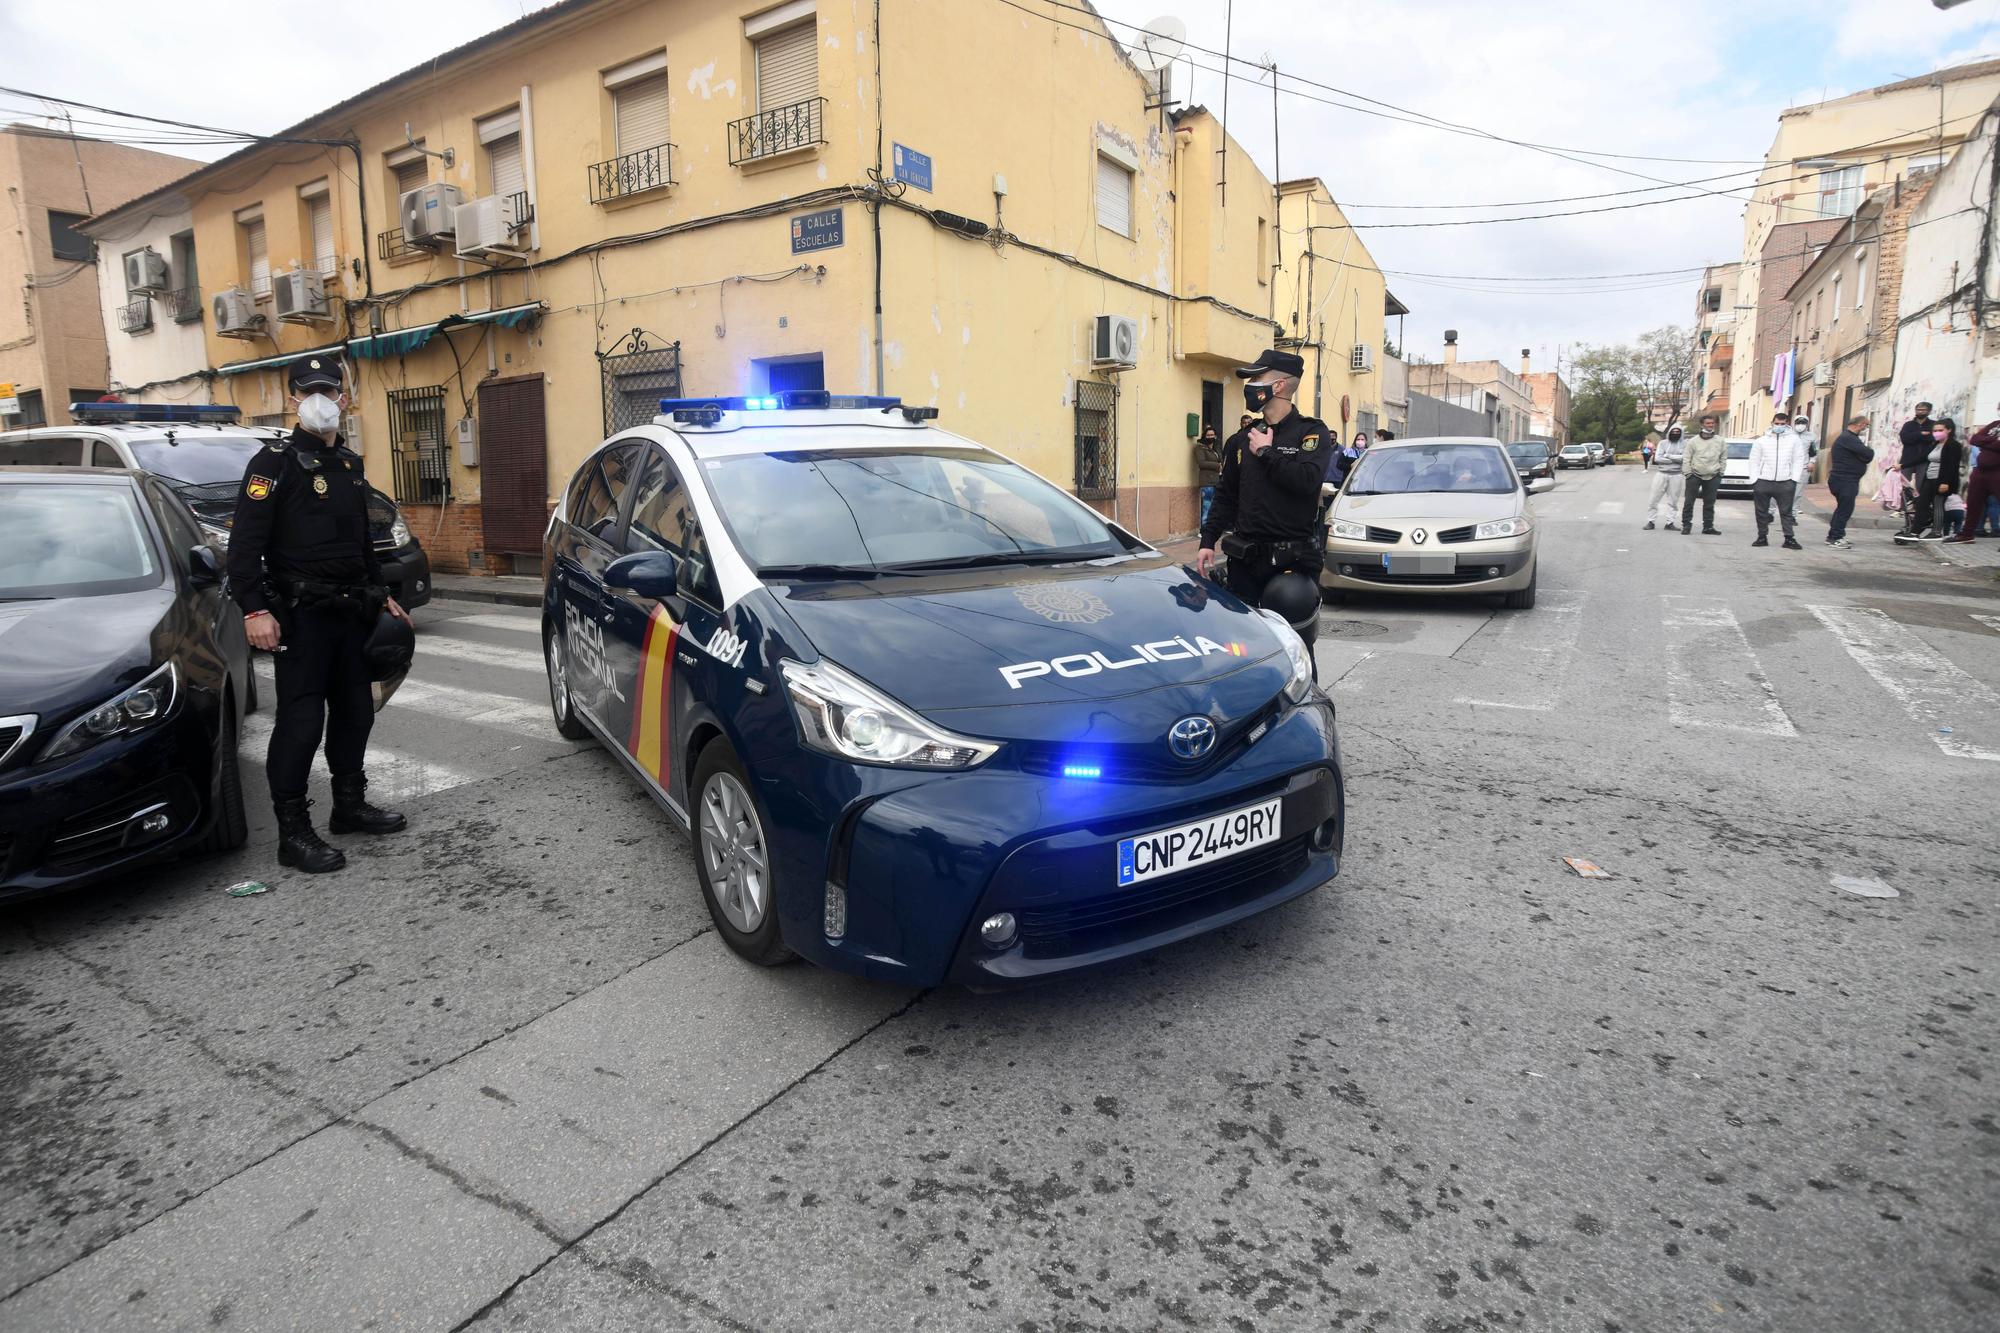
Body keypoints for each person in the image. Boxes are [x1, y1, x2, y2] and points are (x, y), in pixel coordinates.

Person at [229, 357, 413, 874]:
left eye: (328, 390)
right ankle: (293, 833)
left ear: (343, 398)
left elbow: (361, 542)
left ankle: (349, 807)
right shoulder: (273, 463)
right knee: (302, 722)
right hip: (302, 617)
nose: (319, 399)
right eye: (308, 391)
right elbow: (244, 546)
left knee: (355, 714)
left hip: (352, 613)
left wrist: (381, 594)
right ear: (292, 401)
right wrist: (254, 609)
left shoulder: (350, 464)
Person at [1197, 348, 1335, 607]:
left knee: (1294, 642)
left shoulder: (1312, 433)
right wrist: (1208, 540)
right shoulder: (1241, 438)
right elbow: (1226, 494)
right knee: (1241, 644)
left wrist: (1266, 452)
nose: (1249, 386)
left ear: (1279, 385)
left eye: (1256, 379)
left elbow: (1306, 481)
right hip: (1245, 562)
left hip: (1291, 565)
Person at [1748, 410, 1806, 550]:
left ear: (1787, 424)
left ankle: (1789, 538)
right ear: (1772, 423)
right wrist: (1755, 480)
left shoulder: (1794, 440)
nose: (1779, 426)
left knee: (1786, 512)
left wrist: (1794, 479)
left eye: (1782, 424)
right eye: (1777, 423)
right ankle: (1762, 537)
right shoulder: (1761, 441)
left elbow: (1798, 459)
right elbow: (1754, 460)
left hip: (1785, 481)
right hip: (1763, 481)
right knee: (1761, 511)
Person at [1904, 416, 1964, 540]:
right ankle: (1915, 531)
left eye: (1940, 430)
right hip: (1930, 478)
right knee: (1921, 504)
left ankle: (1936, 532)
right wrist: (1902, 465)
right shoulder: (1935, 444)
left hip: (1942, 480)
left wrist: (1945, 482)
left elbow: (1952, 466)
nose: (1936, 433)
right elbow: (1922, 457)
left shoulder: (1953, 445)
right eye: (1935, 430)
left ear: (1949, 430)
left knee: (1938, 504)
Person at [1948, 412, 2000, 543]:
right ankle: (1967, 534)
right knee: (1973, 503)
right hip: (1980, 471)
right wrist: (1993, 441)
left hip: (1997, 471)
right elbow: (1975, 439)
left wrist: (1985, 442)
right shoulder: (1995, 424)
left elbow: (1981, 441)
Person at [1824, 414, 1874, 548]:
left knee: (1843, 508)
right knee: (1845, 509)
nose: (1866, 428)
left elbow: (1866, 456)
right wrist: (1864, 455)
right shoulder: (1848, 438)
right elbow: (1868, 454)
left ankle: (1834, 535)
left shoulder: (1851, 439)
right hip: (1844, 479)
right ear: (1860, 424)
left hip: (1848, 479)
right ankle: (1836, 537)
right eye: (1866, 425)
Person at [1680, 413, 1726, 535]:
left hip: (1713, 475)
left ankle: (1708, 527)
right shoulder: (1693, 441)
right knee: (1689, 502)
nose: (1710, 425)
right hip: (1694, 475)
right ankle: (1686, 525)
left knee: (1709, 503)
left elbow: (1723, 458)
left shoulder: (1720, 441)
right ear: (1702, 425)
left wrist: (1720, 472)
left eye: (1712, 423)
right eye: (1707, 423)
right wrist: (1688, 473)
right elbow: (1686, 458)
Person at [1897, 401, 1936, 535]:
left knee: (1920, 486)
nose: (1920, 411)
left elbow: (1933, 438)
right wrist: (1921, 435)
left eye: (1923, 410)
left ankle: (1918, 507)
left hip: (1924, 460)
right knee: (1903, 484)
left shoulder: (1932, 425)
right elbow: (1905, 438)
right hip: (1907, 459)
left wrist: (1922, 436)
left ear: (1929, 411)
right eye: (1918, 409)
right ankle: (1902, 507)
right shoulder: (1908, 425)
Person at [1645, 424, 1686, 530]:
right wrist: (1676, 459)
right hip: (1661, 474)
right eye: (1673, 431)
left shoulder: (1685, 444)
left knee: (1673, 501)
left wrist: (1668, 455)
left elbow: (1685, 458)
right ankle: (1651, 521)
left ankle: (1670, 523)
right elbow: (1658, 458)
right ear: (1670, 432)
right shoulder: (1663, 443)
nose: (1675, 434)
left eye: (1678, 432)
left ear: (1681, 433)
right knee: (1653, 499)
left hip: (1676, 475)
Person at [1787, 410, 1818, 528]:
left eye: (1803, 422)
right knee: (1783, 491)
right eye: (1798, 422)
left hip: (1803, 467)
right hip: (1787, 467)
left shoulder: (1812, 437)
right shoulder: (1788, 434)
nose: (1800, 425)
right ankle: (1771, 512)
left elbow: (1814, 452)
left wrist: (1812, 462)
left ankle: (1792, 515)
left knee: (1797, 493)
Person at [1194, 423, 1222, 530]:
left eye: (1212, 435)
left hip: (1216, 481)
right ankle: (1204, 529)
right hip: (1206, 482)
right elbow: (1201, 463)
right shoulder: (1199, 448)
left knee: (1214, 507)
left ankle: (1212, 529)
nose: (1210, 437)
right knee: (1206, 506)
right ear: (1204, 435)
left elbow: (1220, 459)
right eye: (1208, 435)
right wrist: (1217, 466)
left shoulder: (1216, 448)